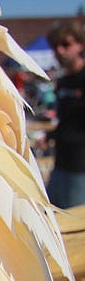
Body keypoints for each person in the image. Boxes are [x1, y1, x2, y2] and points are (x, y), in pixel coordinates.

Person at [46, 21, 85, 208]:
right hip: (61, 162)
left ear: (80, 45)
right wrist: (50, 135)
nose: (60, 51)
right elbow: (66, 122)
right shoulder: (63, 81)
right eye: (55, 46)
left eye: (66, 44)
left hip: (81, 167)